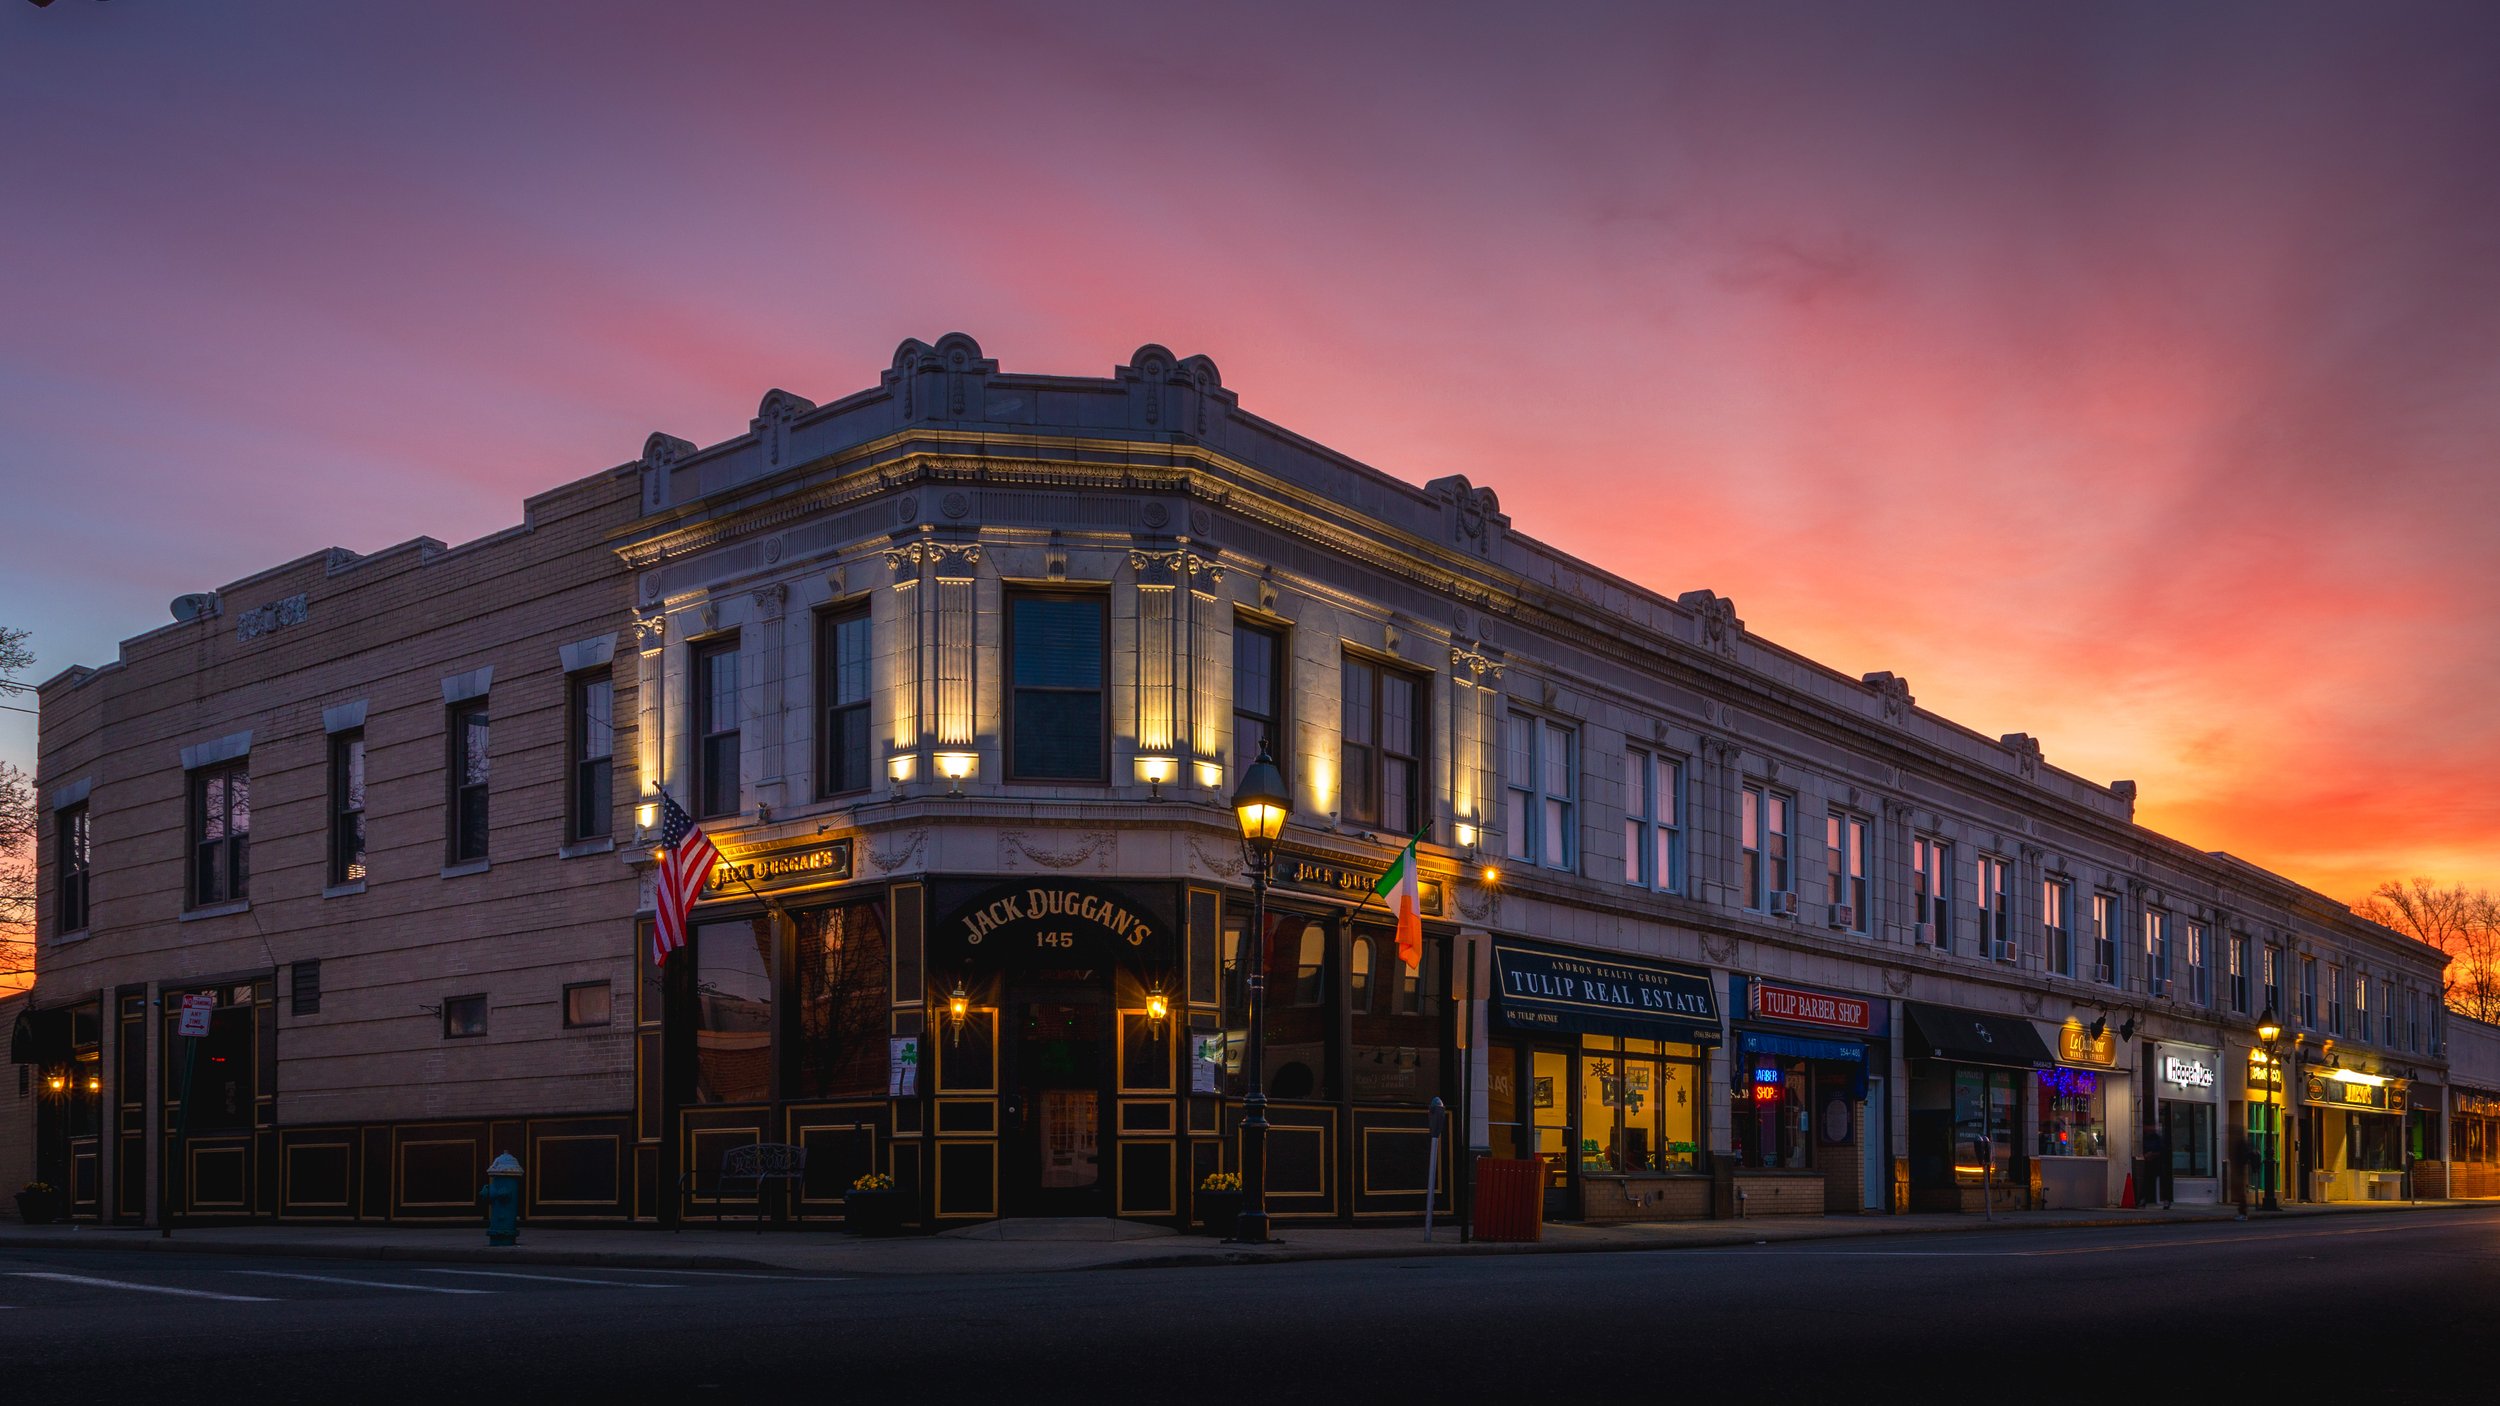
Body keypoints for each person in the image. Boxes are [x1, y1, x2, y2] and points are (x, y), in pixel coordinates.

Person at [2143, 1122, 2173, 1209]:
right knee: (2148, 1182)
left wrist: (2151, 1154)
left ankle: (2165, 1200)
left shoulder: (2156, 1138)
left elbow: (2161, 1150)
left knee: (2160, 1182)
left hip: (2158, 1163)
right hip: (2152, 1163)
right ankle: (2144, 1200)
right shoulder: (2147, 1138)